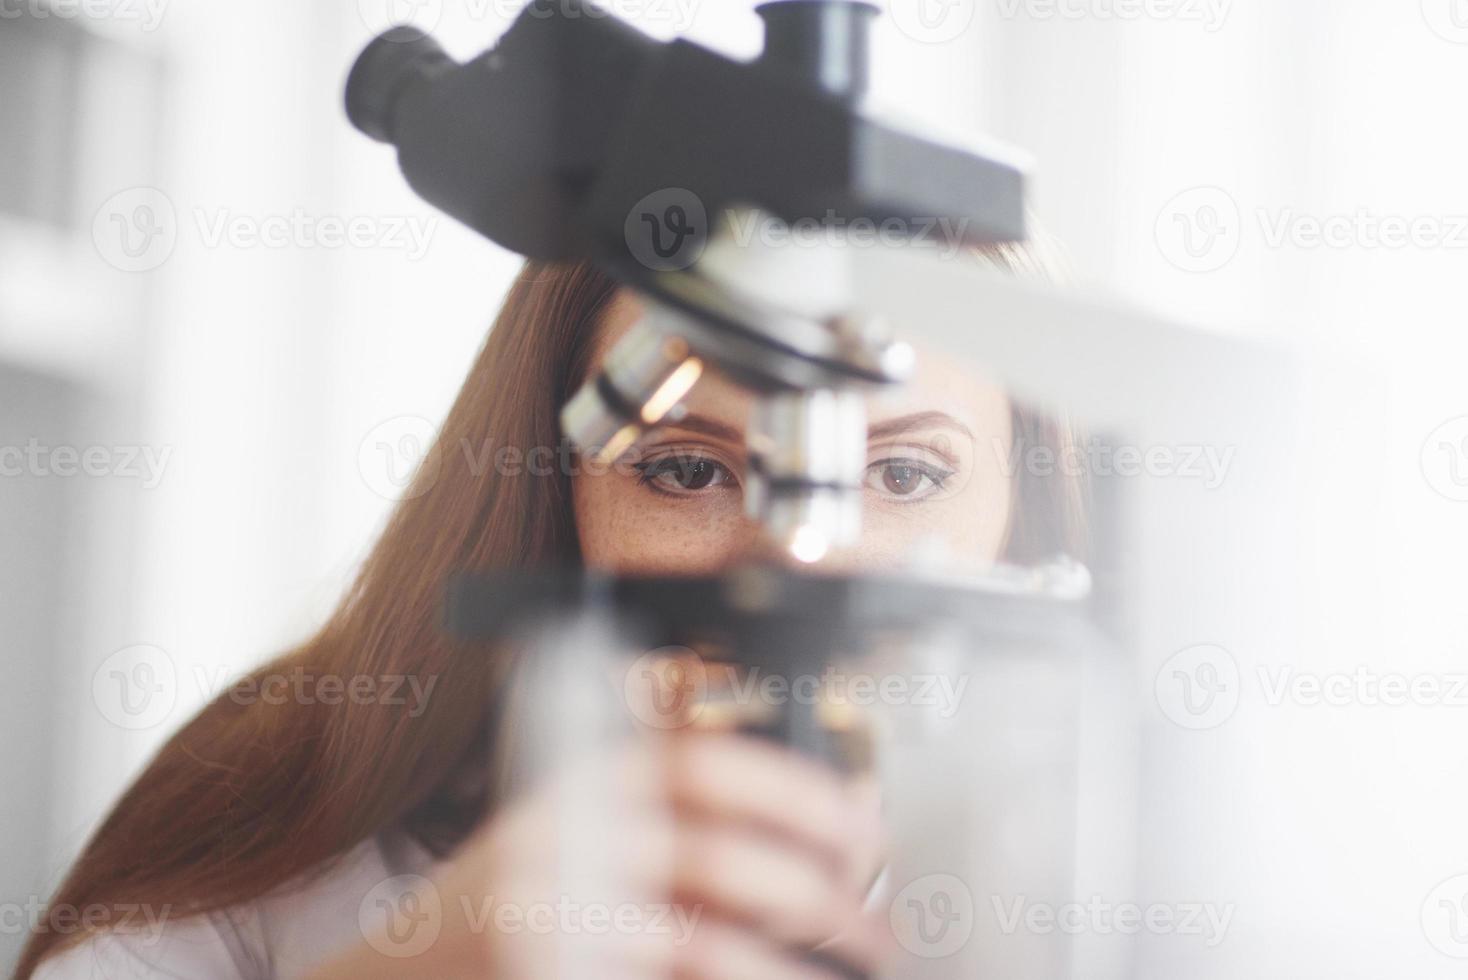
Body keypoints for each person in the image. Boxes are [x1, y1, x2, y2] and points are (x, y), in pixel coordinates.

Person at [20, 251, 1083, 980]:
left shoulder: (1095, 879)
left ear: (1022, 530)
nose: (793, 559)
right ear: (550, 487)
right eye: (681, 467)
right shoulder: (292, 802)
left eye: (902, 472)